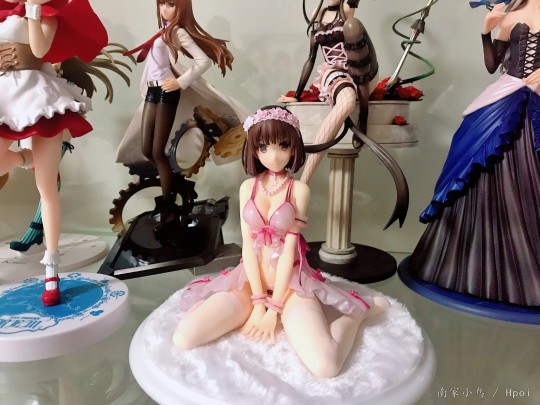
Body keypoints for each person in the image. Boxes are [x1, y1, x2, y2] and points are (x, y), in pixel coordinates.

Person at [173, 106, 389, 378]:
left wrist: (273, 308)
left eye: (283, 146)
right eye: (263, 147)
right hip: (250, 284)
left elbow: (289, 251)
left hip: (290, 289)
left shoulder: (298, 190)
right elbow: (248, 248)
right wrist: (258, 302)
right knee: (184, 337)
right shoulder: (247, 187)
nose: (273, 156)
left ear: (293, 146)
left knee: (326, 367)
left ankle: (355, 317)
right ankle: (248, 307)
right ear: (253, 149)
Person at [409, 0, 540, 306]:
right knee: (473, 156)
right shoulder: (510, 12)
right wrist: (485, 31)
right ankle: (471, 268)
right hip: (506, 94)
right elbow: (493, 65)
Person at [0, 0, 107, 306]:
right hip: (5, 94)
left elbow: (40, 50)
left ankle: (51, 269)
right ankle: (25, 158)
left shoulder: (48, 15)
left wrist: (33, 10)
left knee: (46, 187)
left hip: (37, 95)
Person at [122, 0, 234, 237]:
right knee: (147, 149)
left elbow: (202, 61)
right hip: (153, 91)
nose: (165, 9)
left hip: (166, 92)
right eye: (162, 3)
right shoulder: (163, 31)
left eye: (171, 4)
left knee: (157, 151)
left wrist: (179, 82)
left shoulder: (178, 32)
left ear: (182, 7)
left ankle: (168, 208)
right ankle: (177, 185)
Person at [278, 0, 378, 184]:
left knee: (353, 25)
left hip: (361, 67)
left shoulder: (346, 9)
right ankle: (304, 181)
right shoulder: (317, 15)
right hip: (334, 71)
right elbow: (311, 58)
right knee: (347, 102)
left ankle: (363, 118)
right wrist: (297, 94)